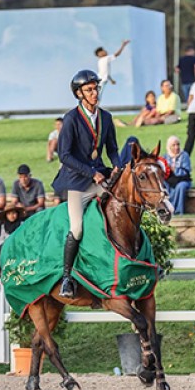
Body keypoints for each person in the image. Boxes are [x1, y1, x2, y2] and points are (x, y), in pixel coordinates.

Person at [51, 69, 120, 298]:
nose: (94, 93)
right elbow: (64, 155)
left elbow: (112, 149)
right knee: (77, 227)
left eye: (95, 88)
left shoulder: (106, 118)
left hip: (100, 176)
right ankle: (67, 278)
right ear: (79, 94)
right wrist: (92, 173)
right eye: (89, 90)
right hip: (78, 182)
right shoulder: (71, 119)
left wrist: (117, 165)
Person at [163, 136, 192, 215]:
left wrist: (174, 170)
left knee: (180, 186)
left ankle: (178, 210)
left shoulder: (185, 155)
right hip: (170, 180)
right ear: (169, 146)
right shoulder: (165, 157)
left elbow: (186, 171)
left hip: (183, 180)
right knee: (163, 185)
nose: (176, 147)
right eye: (174, 145)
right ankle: (167, 209)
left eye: (178, 144)